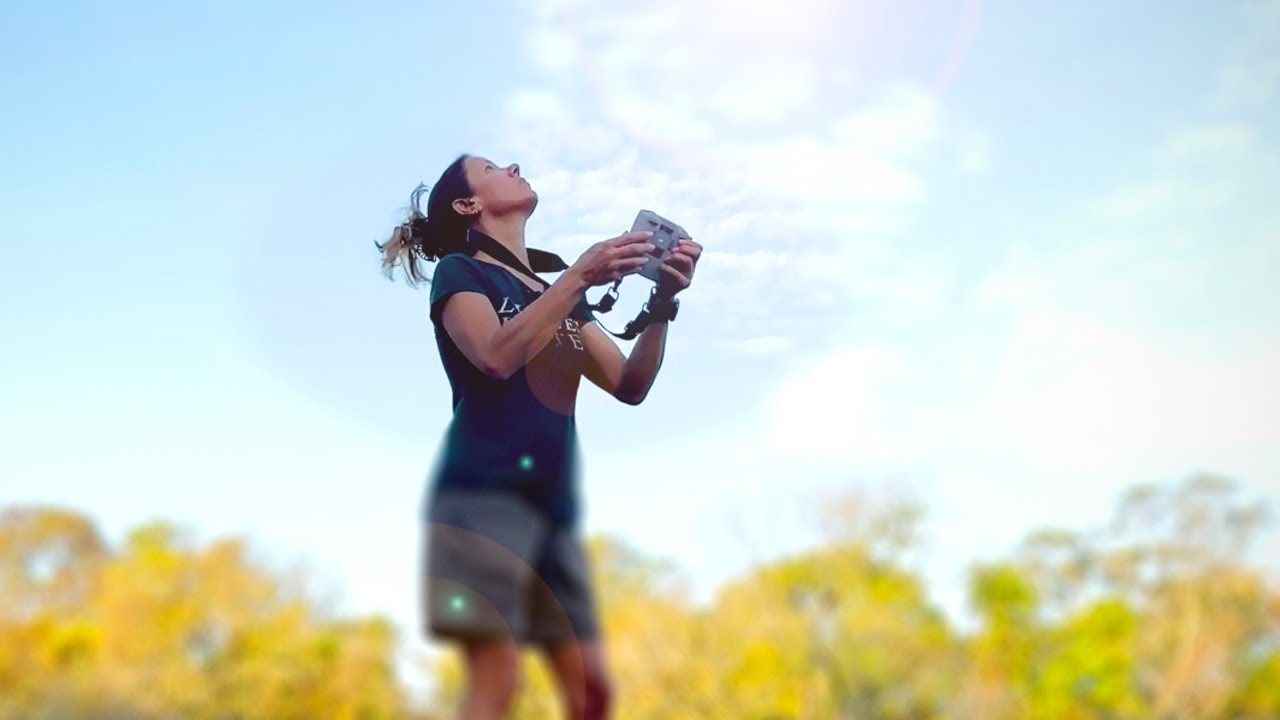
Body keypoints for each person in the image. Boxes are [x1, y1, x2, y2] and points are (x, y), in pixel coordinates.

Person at [376, 154, 701, 720]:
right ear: (467, 204)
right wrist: (577, 276)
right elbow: (495, 357)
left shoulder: (563, 294)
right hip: (482, 499)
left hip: (551, 512)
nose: (514, 164)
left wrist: (663, 303)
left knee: (591, 693)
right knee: (497, 681)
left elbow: (629, 383)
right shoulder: (462, 272)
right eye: (493, 167)